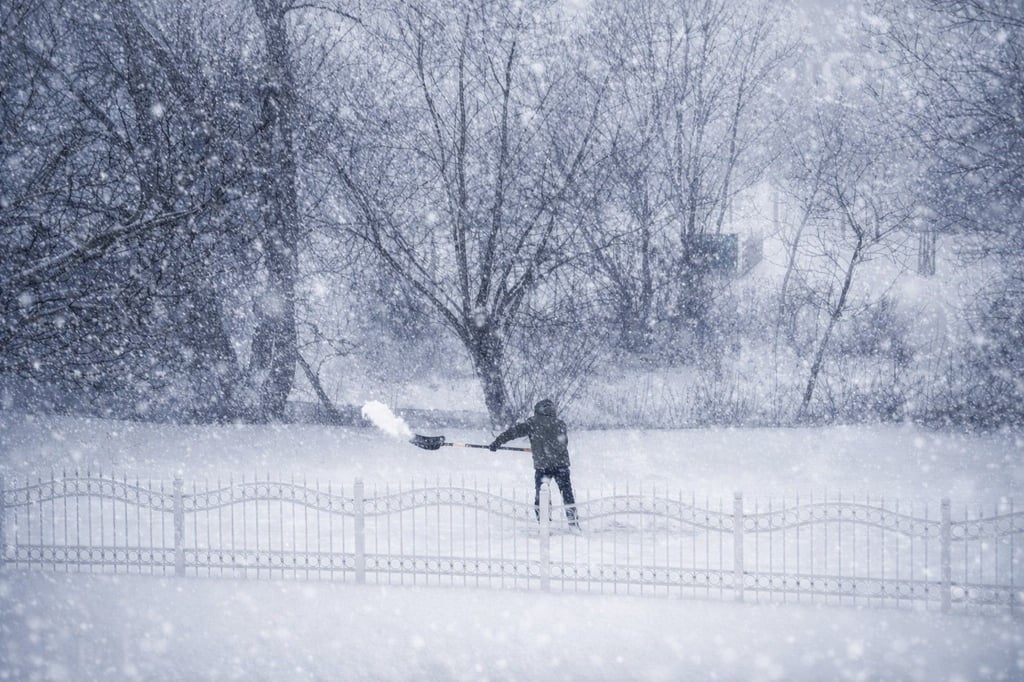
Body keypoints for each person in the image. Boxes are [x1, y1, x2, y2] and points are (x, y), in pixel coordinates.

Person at [489, 399, 580, 529]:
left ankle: (544, 524)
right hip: (561, 466)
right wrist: (543, 447)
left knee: (542, 497)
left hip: (543, 467)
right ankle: (573, 523)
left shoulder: (533, 423)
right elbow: (562, 443)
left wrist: (497, 442)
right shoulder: (560, 424)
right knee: (567, 495)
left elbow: (512, 433)